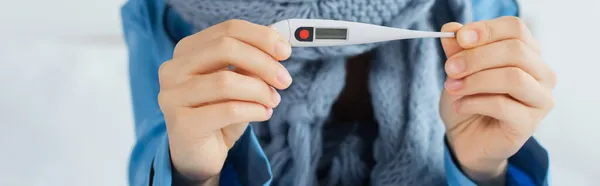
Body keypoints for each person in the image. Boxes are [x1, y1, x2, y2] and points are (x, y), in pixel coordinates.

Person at [122, 0, 555, 185]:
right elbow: (153, 160)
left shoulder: (475, 4)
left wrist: (482, 170)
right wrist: (196, 175)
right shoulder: (160, 11)